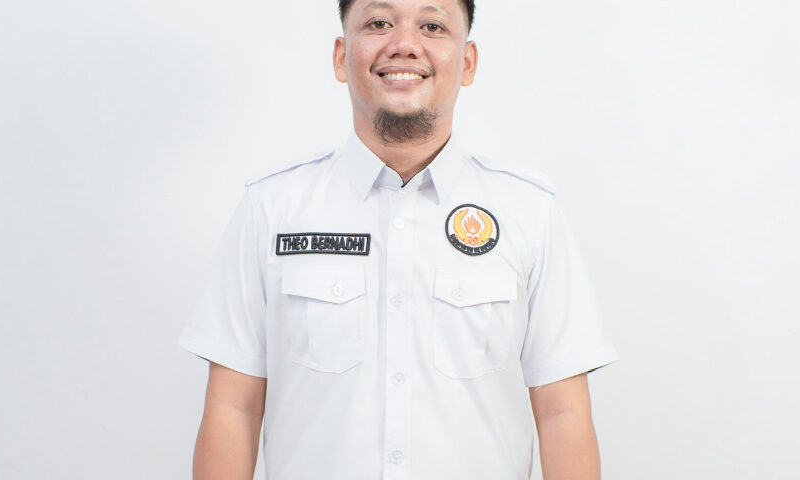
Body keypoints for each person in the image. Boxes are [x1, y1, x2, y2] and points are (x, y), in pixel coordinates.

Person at [177, 0, 619, 478]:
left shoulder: (528, 212)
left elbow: (562, 413)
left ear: (467, 62)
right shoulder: (271, 209)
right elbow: (234, 407)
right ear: (341, 56)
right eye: (379, 22)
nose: (405, 44)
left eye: (432, 25)